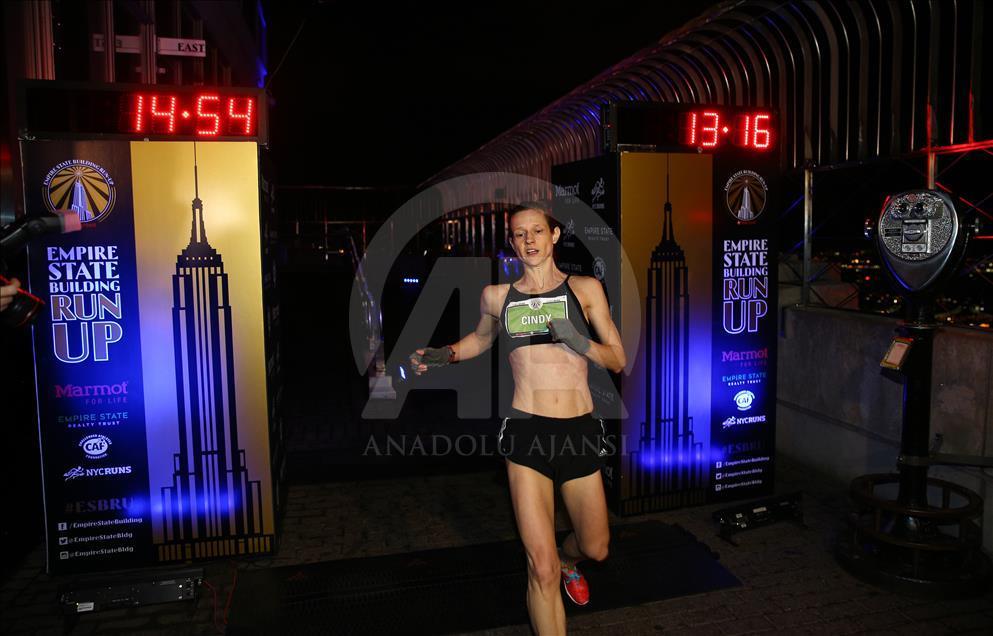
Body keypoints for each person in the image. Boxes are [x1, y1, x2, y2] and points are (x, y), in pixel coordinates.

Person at [410, 203, 626, 635]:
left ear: (554, 235)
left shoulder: (585, 289)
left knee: (596, 547)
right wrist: (442, 355)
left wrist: (576, 339)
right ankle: (553, 568)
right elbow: (478, 340)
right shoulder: (497, 297)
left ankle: (571, 560)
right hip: (526, 432)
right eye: (519, 234)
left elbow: (617, 359)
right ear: (511, 241)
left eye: (536, 231)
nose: (528, 240)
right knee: (539, 568)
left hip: (579, 432)